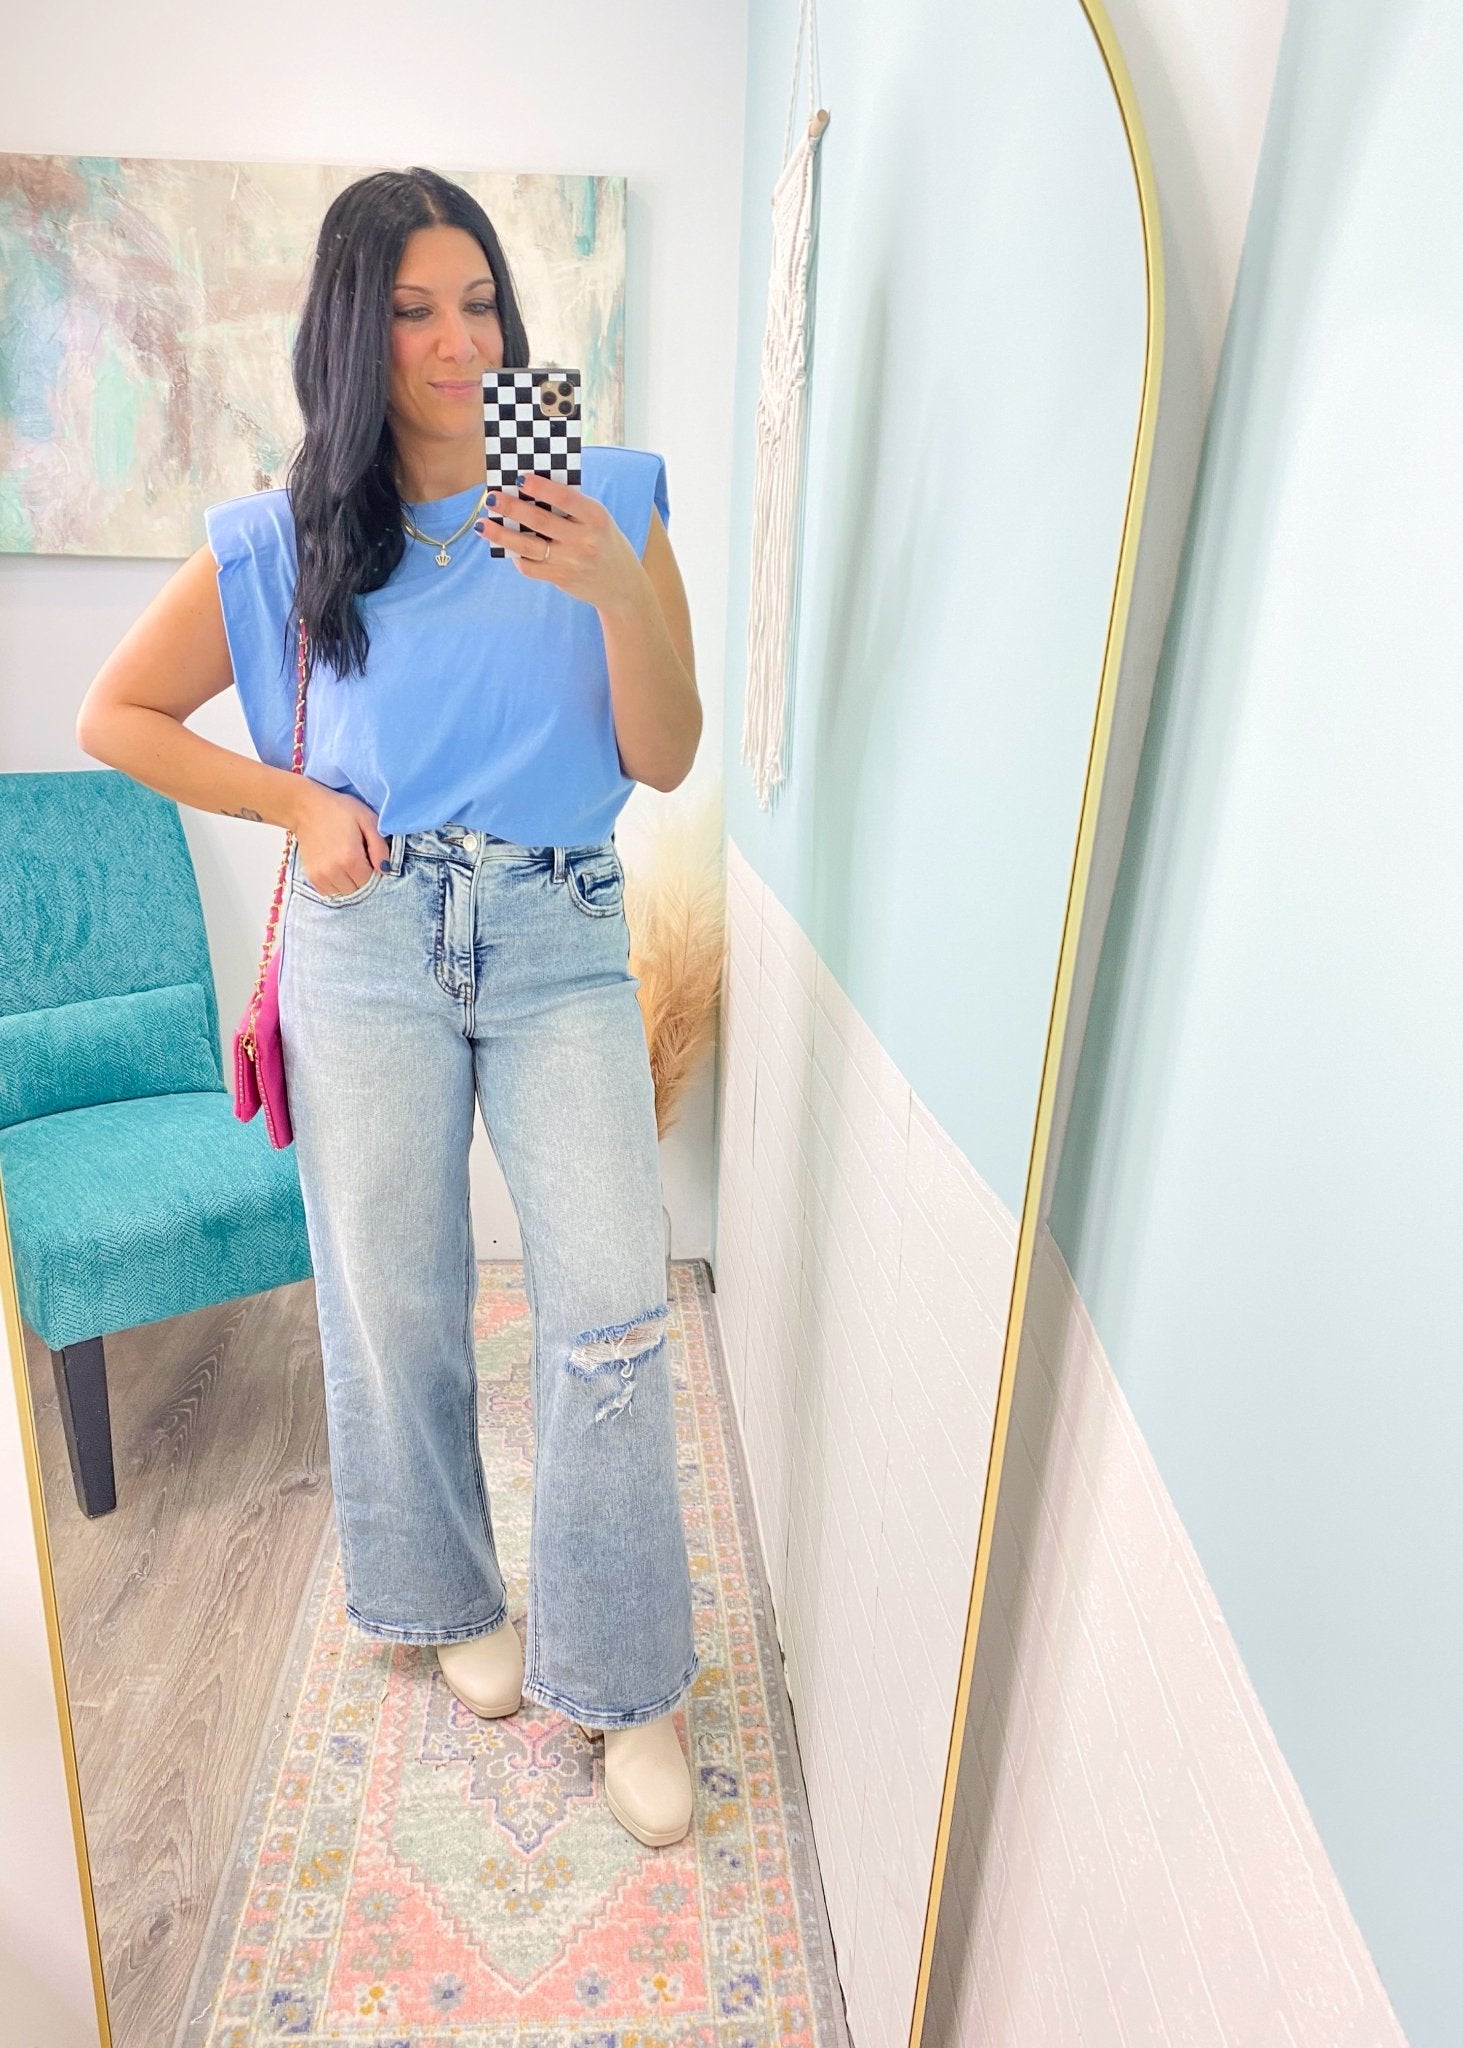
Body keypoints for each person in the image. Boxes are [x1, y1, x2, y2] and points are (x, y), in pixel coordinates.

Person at [74, 166, 704, 1850]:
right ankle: (442, 1593)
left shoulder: (609, 495)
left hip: (561, 930)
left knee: (611, 1305)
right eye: (416, 310)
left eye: (480, 302)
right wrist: (296, 804)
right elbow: (116, 714)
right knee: (393, 1298)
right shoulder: (283, 540)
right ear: (353, 333)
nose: (457, 339)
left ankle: (626, 1673)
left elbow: (663, 757)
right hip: (364, 941)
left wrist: (616, 586)